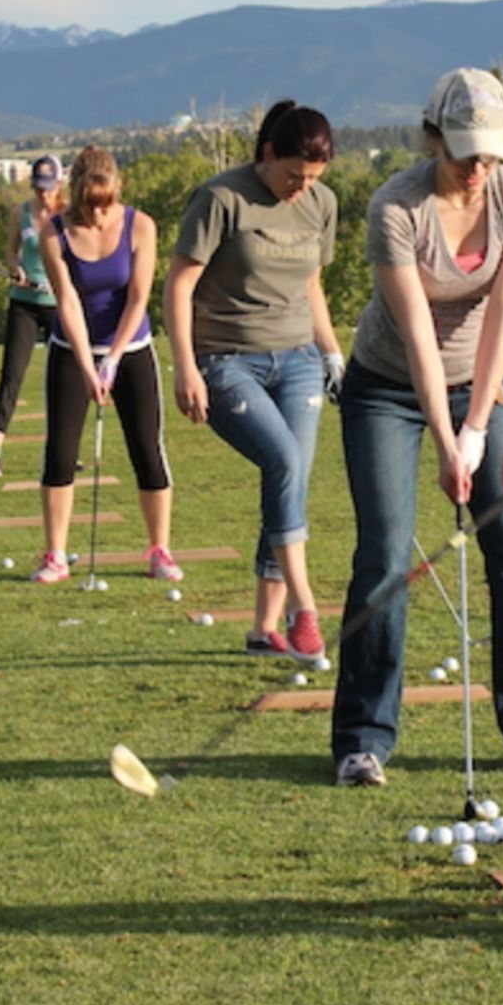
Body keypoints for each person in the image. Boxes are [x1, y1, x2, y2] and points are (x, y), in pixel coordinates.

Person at [330, 69, 503, 788]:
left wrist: (475, 427)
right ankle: (363, 740)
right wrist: (447, 442)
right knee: (383, 556)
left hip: (483, 385)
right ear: (432, 135)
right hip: (386, 388)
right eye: (464, 151)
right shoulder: (394, 207)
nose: (477, 168)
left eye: (489, 153)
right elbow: (415, 336)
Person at [164, 102, 342, 663]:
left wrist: (333, 352)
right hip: (225, 360)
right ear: (267, 155)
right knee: (285, 463)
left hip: (299, 358)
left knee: (291, 474)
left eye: (313, 179)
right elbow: (179, 284)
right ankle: (303, 608)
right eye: (294, 175)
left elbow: (312, 285)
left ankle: (265, 628)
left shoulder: (322, 204)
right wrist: (186, 365)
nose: (302, 188)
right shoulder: (221, 199)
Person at [34, 146, 179, 584]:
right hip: (71, 348)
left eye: (107, 204)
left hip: (131, 349)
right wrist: (86, 364)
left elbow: (138, 298)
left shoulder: (141, 226)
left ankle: (159, 550)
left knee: (147, 451)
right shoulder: (53, 233)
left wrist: (113, 358)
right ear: (76, 195)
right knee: (60, 453)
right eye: (91, 205)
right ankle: (55, 554)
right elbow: (68, 302)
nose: (100, 215)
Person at [0, 155, 65, 477]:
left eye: (49, 187)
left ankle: (64, 448)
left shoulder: (68, 216)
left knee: (64, 377)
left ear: (59, 183)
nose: (44, 193)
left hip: (58, 304)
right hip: (24, 302)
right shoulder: (21, 212)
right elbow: (11, 251)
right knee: (11, 375)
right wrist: (16, 269)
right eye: (39, 187)